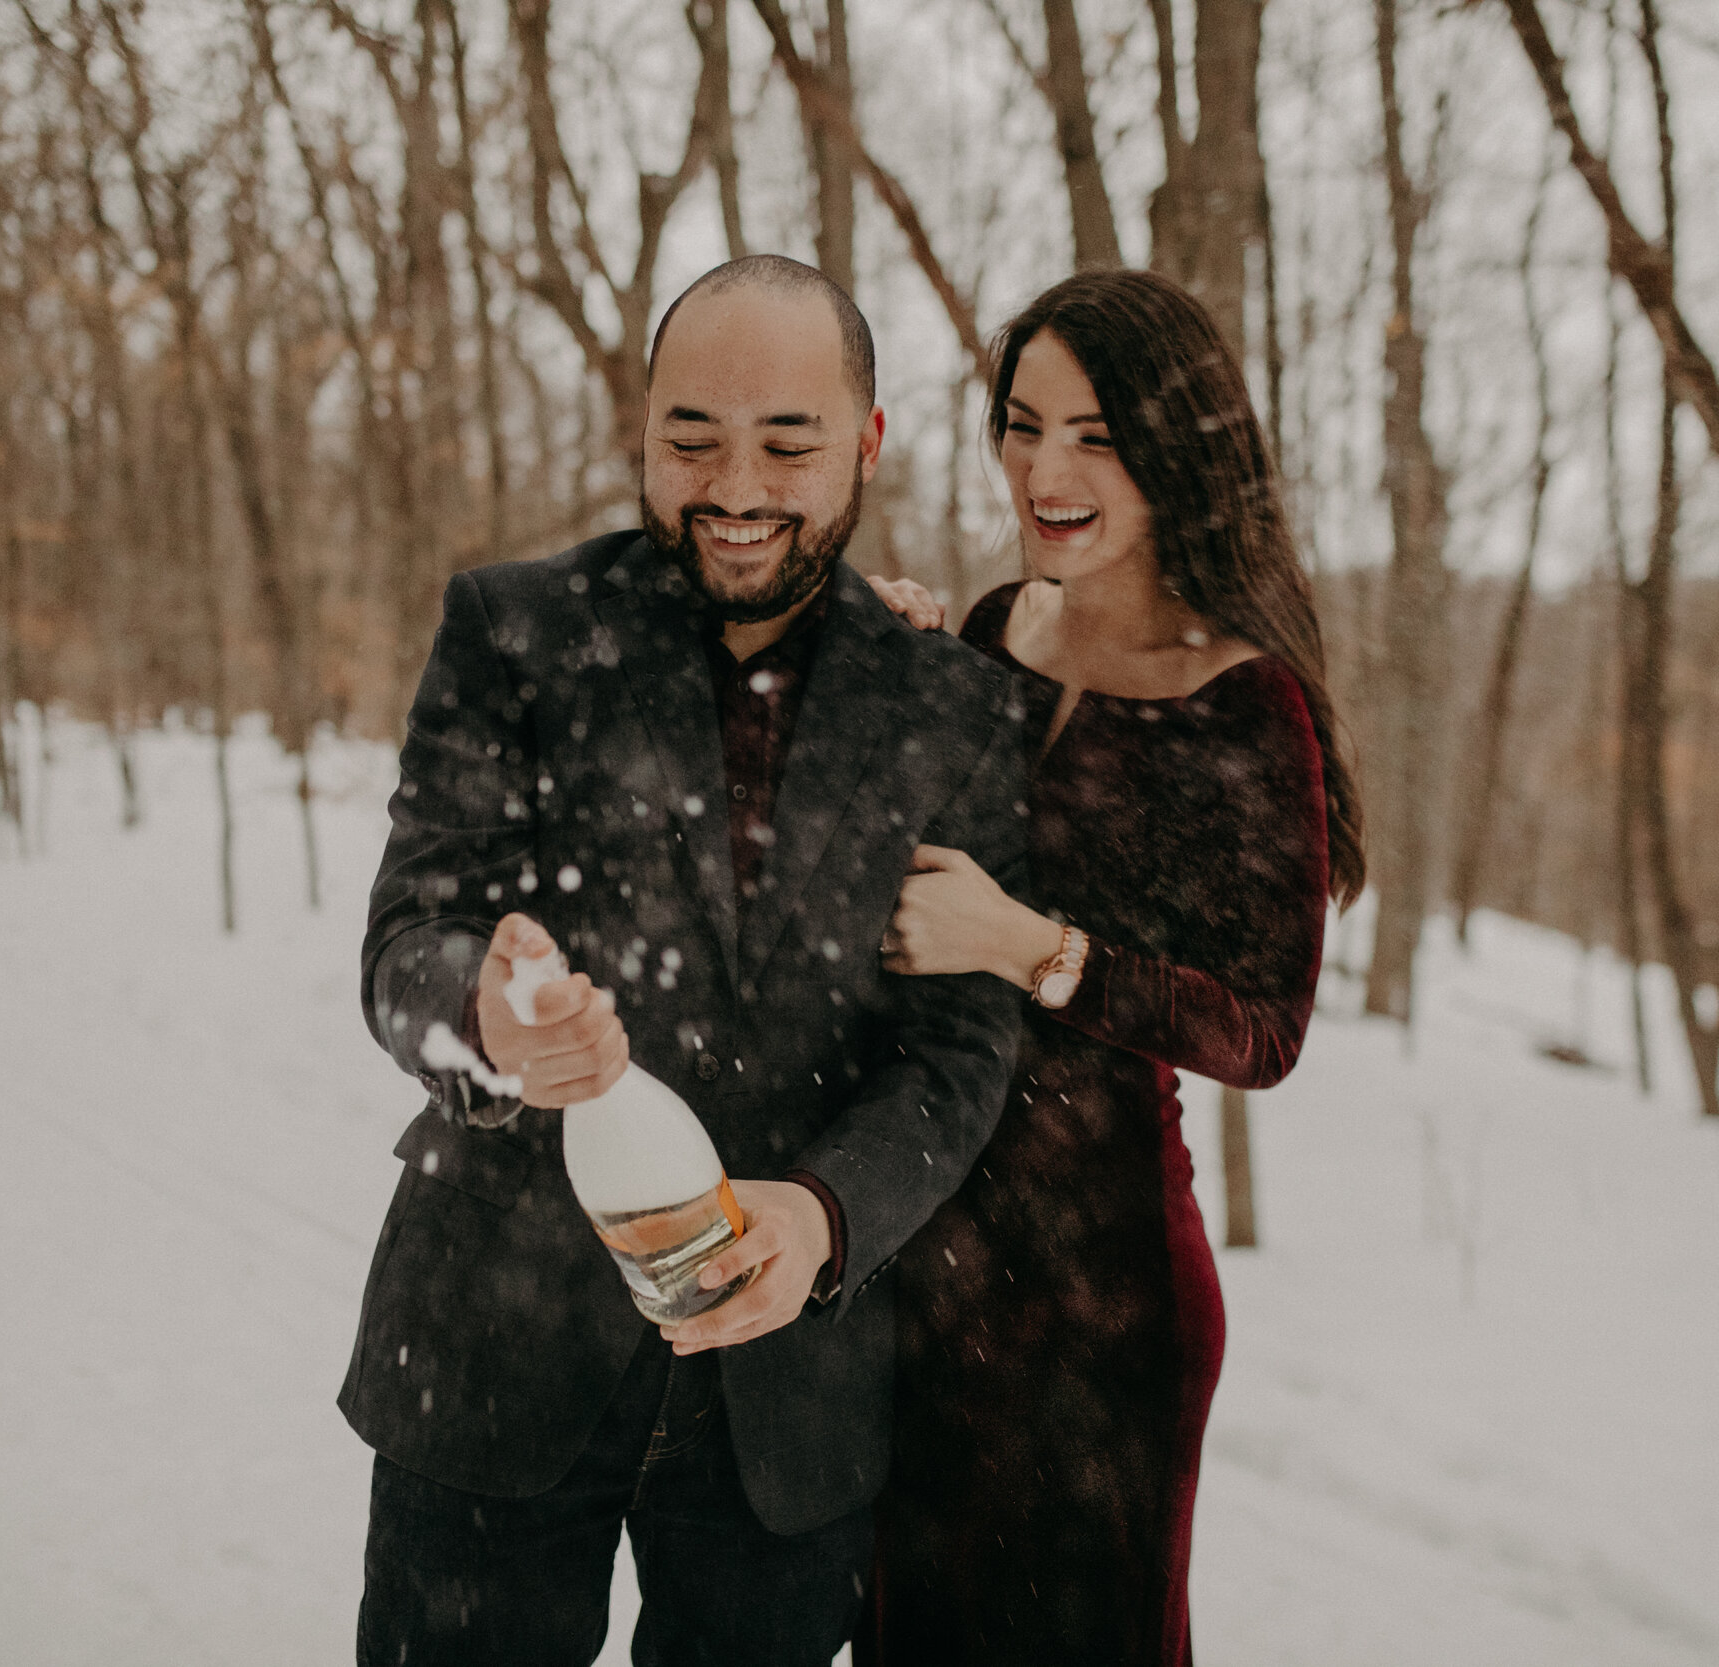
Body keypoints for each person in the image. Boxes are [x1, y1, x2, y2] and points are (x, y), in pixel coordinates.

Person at [340, 253, 1033, 1666]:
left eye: (789, 442)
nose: (736, 487)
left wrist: (827, 1218)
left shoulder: (951, 707)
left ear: (868, 442)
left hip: (792, 1402)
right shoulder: (514, 636)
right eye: (692, 438)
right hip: (492, 1349)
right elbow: (409, 940)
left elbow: (960, 1054)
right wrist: (486, 1011)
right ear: (640, 429)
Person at [858, 268, 1368, 1666]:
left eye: (1096, 435)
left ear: (1177, 452)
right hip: (925, 1266)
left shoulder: (1243, 698)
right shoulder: (987, 631)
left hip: (1103, 1303)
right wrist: (876, 679)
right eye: (1023, 425)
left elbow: (1267, 1029)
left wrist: (1034, 951)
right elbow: (899, 896)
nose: (1045, 468)